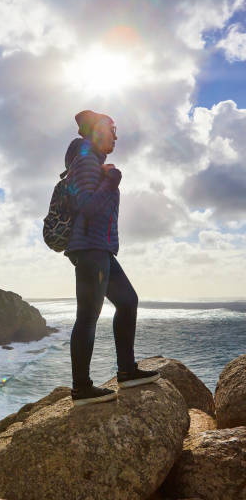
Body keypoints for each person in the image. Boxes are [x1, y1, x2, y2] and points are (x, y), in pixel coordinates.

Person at [64, 110, 160, 406]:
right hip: (91, 249)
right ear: (96, 132)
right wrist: (113, 180)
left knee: (128, 301)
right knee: (88, 317)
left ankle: (127, 370)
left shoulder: (94, 162)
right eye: (112, 129)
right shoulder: (86, 162)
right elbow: (87, 207)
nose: (116, 136)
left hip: (100, 248)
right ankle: (81, 388)